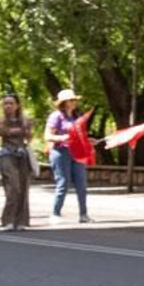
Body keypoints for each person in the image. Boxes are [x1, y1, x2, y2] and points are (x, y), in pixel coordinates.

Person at [44, 89, 90, 222]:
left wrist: (88, 140)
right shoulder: (56, 116)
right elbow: (47, 136)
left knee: (81, 183)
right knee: (63, 183)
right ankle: (55, 214)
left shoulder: (77, 117)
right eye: (71, 100)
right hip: (61, 152)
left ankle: (83, 215)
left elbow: (80, 135)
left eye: (74, 100)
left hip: (77, 152)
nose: (73, 102)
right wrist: (62, 137)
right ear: (63, 102)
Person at [0, 92, 34, 231]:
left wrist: (29, 129)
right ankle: (8, 220)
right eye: (6, 103)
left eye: (11, 103)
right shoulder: (0, 122)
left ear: (17, 105)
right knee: (13, 187)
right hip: (7, 155)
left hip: (22, 156)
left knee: (23, 188)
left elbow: (29, 139)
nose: (8, 106)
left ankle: (21, 221)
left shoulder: (24, 121)